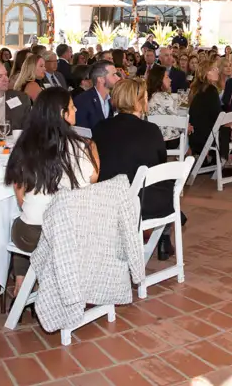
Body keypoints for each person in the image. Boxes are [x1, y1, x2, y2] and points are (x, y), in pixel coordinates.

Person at [5, 87, 99, 292]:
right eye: (72, 108)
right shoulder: (78, 146)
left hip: (30, 235)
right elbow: (91, 179)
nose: (76, 111)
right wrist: (93, 149)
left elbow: (20, 197)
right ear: (62, 114)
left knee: (21, 220)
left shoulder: (24, 145)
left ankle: (21, 279)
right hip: (70, 233)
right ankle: (42, 281)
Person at [93, 78, 181, 260]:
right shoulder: (150, 130)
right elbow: (159, 162)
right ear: (138, 101)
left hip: (106, 198)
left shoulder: (100, 127)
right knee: (166, 186)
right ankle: (164, 236)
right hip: (138, 202)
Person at [73, 60, 119, 130]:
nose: (118, 78)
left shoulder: (114, 98)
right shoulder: (82, 101)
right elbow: (83, 133)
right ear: (101, 79)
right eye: (113, 75)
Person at [146, 66, 181, 150]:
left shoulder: (147, 96)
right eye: (167, 77)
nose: (170, 79)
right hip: (169, 140)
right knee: (186, 131)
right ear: (159, 80)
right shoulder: (165, 97)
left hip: (151, 138)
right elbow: (177, 120)